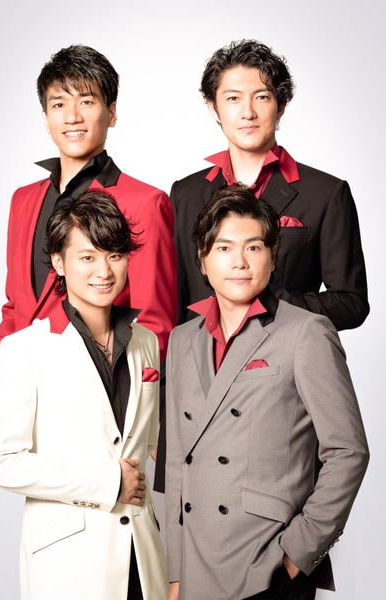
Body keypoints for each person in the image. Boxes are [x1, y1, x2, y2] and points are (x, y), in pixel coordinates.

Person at [165, 186, 369, 600]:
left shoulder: (306, 332)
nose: (239, 262)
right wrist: (174, 572)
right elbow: (176, 463)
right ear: (202, 260)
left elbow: (348, 451)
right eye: (223, 247)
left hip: (266, 561)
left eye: (253, 247)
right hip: (196, 563)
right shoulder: (182, 340)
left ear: (273, 257)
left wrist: (297, 553)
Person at [0, 44, 176, 431]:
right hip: (14, 394)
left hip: (95, 404)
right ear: (45, 118)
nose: (72, 117)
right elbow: (17, 305)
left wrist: (128, 416)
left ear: (111, 113)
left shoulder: (144, 202)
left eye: (87, 101)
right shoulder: (23, 200)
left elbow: (155, 324)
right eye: (59, 104)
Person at [0, 190, 168, 600]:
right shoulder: (24, 349)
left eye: (115, 255)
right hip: (68, 565)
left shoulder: (146, 342)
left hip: (142, 558)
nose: (104, 270)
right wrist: (107, 481)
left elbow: (144, 447)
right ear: (58, 263)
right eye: (87, 257)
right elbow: (0, 463)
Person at [171, 39, 368, 329]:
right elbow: (176, 298)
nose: (247, 113)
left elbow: (351, 304)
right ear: (213, 107)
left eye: (261, 97)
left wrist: (266, 303)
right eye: (233, 98)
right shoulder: (185, 193)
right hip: (201, 354)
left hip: (283, 353)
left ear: (281, 105)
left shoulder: (326, 194)